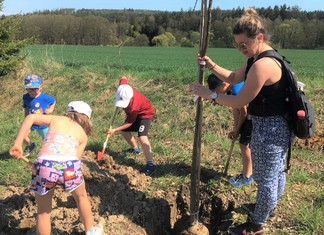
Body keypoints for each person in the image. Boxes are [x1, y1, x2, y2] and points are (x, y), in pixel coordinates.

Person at [190, 8, 290, 235]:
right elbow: (235, 77)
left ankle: (256, 226)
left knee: (266, 178)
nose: (241, 49)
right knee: (276, 173)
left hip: (270, 128)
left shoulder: (263, 65)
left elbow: (241, 99)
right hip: (275, 124)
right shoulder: (258, 57)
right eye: (237, 45)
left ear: (260, 38)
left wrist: (211, 95)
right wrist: (212, 64)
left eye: (244, 44)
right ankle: (269, 209)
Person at [9, 101, 103, 235]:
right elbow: (76, 159)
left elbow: (30, 117)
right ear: (87, 118)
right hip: (69, 166)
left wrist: (18, 144)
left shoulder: (56, 118)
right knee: (82, 197)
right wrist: (63, 178)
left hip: (44, 166)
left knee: (43, 212)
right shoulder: (83, 135)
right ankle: (91, 231)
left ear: (68, 112)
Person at [207, 74, 253, 187]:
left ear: (223, 84)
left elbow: (244, 112)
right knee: (243, 143)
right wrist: (235, 127)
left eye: (216, 90)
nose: (216, 93)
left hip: (254, 116)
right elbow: (235, 108)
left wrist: (237, 130)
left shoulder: (237, 89)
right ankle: (248, 173)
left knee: (244, 145)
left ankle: (247, 176)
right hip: (247, 115)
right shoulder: (230, 88)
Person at [107, 76, 156, 176]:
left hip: (145, 114)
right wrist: (123, 78)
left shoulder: (134, 106)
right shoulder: (123, 88)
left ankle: (150, 164)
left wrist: (115, 130)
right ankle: (135, 149)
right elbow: (123, 78)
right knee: (124, 132)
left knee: (142, 136)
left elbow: (130, 123)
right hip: (134, 115)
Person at [22, 74, 56, 157]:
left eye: (35, 89)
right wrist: (26, 118)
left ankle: (48, 153)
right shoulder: (25, 97)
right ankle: (30, 145)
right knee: (22, 135)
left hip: (42, 122)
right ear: (26, 88)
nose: (32, 92)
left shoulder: (44, 97)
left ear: (41, 87)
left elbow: (53, 101)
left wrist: (50, 110)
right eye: (30, 89)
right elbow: (26, 107)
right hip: (31, 122)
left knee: (46, 139)